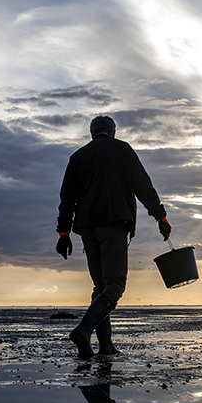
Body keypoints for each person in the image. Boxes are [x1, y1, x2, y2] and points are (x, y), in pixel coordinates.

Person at [56, 115, 172, 359]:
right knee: (115, 284)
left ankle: (105, 345)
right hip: (114, 223)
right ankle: (83, 330)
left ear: (92, 134)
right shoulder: (123, 150)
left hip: (86, 227)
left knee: (101, 285)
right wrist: (160, 216)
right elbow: (143, 186)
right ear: (113, 132)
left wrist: (63, 232)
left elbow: (67, 198)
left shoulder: (78, 157)